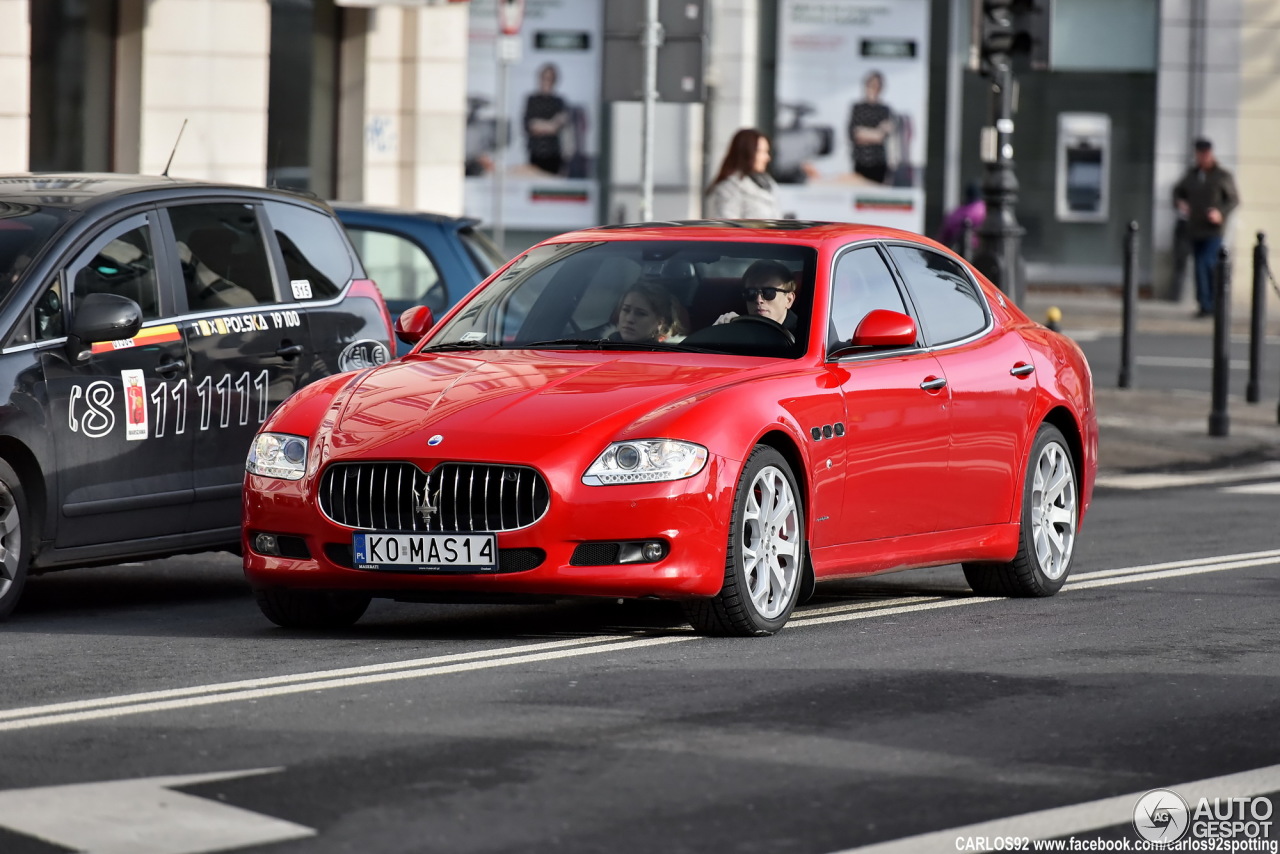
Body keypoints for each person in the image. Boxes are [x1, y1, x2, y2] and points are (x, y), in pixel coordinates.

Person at [1172, 137, 1240, 317]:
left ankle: (1213, 304)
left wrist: (1220, 213)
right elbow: (1178, 191)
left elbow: (1233, 199)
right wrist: (1180, 203)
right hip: (1195, 228)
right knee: (1199, 266)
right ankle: (1204, 304)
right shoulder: (1193, 175)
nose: (1203, 157)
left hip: (1213, 229)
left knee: (1208, 264)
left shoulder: (1221, 175)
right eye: (1200, 154)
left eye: (1206, 154)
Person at [704, 128, 780, 219]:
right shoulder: (729, 189)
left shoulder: (766, 183)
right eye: (762, 152)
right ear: (746, 152)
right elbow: (727, 228)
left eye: (767, 152)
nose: (767, 158)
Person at [713, 260, 799, 332]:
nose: (758, 300)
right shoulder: (735, 328)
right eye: (750, 293)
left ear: (789, 300)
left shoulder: (807, 336)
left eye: (769, 292)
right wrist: (720, 332)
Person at [848, 70, 894, 184]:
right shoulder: (857, 108)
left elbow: (882, 137)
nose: (874, 89)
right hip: (860, 161)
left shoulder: (884, 110)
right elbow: (855, 135)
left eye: (877, 86)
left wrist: (866, 133)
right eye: (871, 85)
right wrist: (876, 132)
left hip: (879, 163)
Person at [524, 63, 569, 175]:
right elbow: (530, 126)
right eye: (545, 78)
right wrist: (550, 124)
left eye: (550, 79)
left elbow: (558, 126)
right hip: (535, 153)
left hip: (554, 154)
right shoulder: (532, 100)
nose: (547, 82)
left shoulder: (559, 102)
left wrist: (541, 125)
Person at [608, 280, 685, 343]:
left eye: (641, 314)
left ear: (660, 322)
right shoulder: (600, 346)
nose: (629, 319)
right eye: (626, 310)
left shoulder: (665, 358)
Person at [937, 181, 986, 255]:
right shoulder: (982, 209)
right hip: (976, 252)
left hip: (953, 253)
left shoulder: (956, 213)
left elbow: (943, 237)